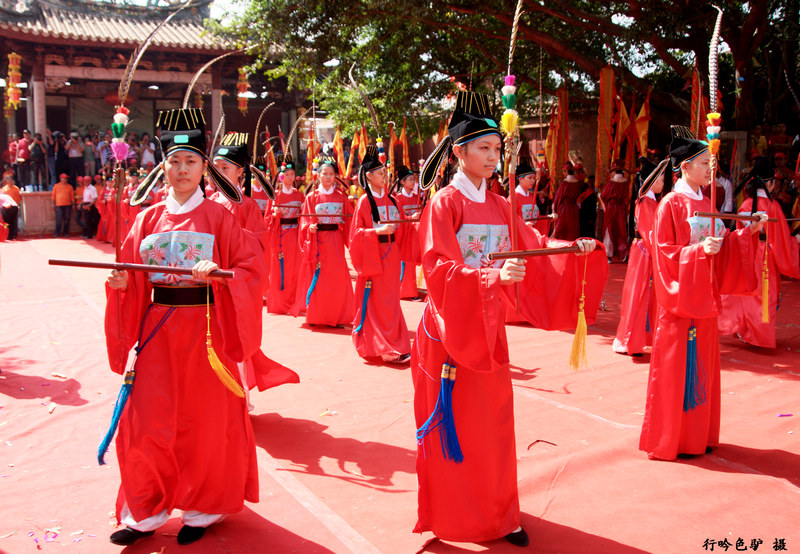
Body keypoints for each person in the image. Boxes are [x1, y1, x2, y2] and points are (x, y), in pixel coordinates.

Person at [412, 90, 607, 547]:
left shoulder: (502, 206)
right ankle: (457, 515)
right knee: (458, 427)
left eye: (497, 148)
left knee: (495, 424)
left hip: (488, 327)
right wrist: (490, 276)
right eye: (483, 147)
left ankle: (501, 515)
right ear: (458, 151)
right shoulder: (445, 203)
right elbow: (437, 269)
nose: (492, 156)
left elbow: (533, 246)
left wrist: (571, 249)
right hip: (450, 329)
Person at [105, 107, 263, 547]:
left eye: (190, 161)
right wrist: (120, 284)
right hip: (159, 330)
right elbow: (132, 276)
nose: (181, 170)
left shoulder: (221, 218)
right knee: (145, 421)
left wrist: (221, 274)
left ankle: (203, 508)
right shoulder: (146, 219)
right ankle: (145, 511)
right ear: (163, 166)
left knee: (206, 421)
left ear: (203, 167)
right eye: (174, 161)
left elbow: (250, 270)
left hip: (206, 331)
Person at [639, 134, 768, 461]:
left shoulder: (707, 203)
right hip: (680, 302)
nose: (711, 169)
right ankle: (672, 439)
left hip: (705, 297)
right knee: (677, 367)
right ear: (685, 167)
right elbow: (664, 253)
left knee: (704, 367)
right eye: (705, 163)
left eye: (712, 163)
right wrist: (698, 251)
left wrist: (746, 233)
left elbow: (722, 246)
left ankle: (699, 436)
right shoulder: (671, 203)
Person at [718, 168, 800, 347]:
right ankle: (758, 336)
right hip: (765, 255)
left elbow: (740, 230)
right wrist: (794, 242)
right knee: (765, 296)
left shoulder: (746, 204)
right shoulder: (772, 206)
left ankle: (744, 330)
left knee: (747, 294)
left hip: (747, 251)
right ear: (768, 184)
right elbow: (780, 238)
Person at [349, 147, 411, 363]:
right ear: (368, 176)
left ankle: (395, 343)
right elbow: (355, 235)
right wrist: (376, 231)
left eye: (385, 173)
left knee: (392, 300)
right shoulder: (364, 202)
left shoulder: (394, 201)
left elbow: (405, 228)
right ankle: (385, 348)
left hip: (392, 255)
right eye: (379, 173)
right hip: (374, 256)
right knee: (378, 301)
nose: (384, 176)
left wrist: (416, 221)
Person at [292, 156, 355, 326]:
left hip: (335, 240)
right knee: (319, 278)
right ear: (318, 175)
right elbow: (304, 222)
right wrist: (310, 228)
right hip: (318, 241)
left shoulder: (341, 196)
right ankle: (317, 316)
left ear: (336, 176)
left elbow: (350, 220)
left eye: (331, 174)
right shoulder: (312, 197)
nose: (328, 177)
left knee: (336, 278)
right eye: (324, 173)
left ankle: (337, 316)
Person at [613, 159, 665, 356]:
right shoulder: (644, 202)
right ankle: (628, 339)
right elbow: (649, 232)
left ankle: (641, 337)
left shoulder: (653, 201)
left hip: (649, 251)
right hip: (645, 252)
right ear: (651, 181)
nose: (662, 182)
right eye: (660, 179)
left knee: (648, 295)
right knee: (638, 294)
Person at [265, 154, 304, 314]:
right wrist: (275, 214)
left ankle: (295, 301)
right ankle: (280, 304)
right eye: (287, 175)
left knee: (296, 269)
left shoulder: (299, 195)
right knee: (280, 269)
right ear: (282, 176)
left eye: (292, 175)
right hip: (281, 235)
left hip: (295, 235)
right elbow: (267, 218)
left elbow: (305, 213)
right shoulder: (275, 195)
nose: (290, 177)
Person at [392, 165, 422, 300]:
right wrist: (411, 218)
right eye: (409, 179)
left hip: (414, 234)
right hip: (403, 234)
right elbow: (398, 218)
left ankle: (410, 290)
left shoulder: (417, 197)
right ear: (402, 182)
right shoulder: (397, 199)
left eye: (413, 179)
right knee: (403, 262)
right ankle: (402, 291)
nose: (412, 182)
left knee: (411, 263)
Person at [552, 160, 581, 240]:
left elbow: (558, 198)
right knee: (572, 230)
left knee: (561, 230)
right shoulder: (577, 183)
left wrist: (555, 210)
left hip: (564, 209)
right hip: (573, 208)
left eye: (563, 171)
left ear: (566, 171)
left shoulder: (564, 183)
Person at [0, 176, 20, 240]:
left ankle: (7, 235)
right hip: (14, 206)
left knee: (6, 222)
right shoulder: (4, 191)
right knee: (12, 221)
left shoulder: (16, 188)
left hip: (8, 207)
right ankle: (11, 235)